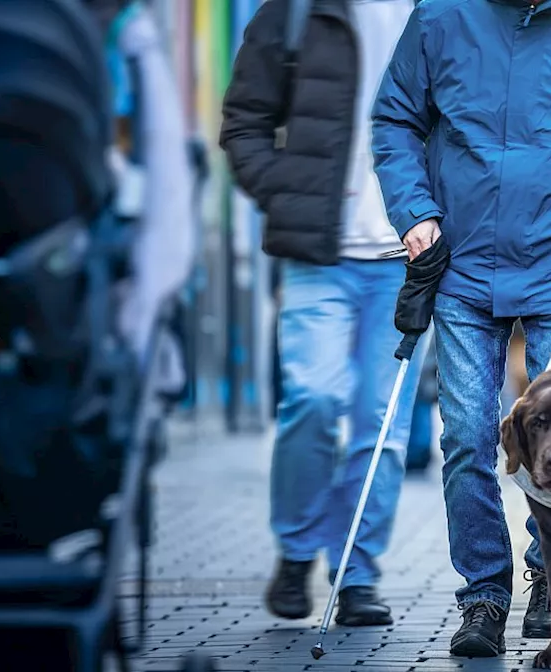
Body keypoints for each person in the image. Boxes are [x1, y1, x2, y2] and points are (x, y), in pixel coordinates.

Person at [371, 0, 551, 657]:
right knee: (469, 438)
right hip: (463, 269)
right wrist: (415, 213)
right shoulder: (441, 19)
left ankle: (547, 575)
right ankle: (483, 597)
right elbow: (395, 118)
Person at [220, 0, 426, 628]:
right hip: (318, 255)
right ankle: (295, 546)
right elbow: (243, 122)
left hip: (403, 259)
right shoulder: (297, 9)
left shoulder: (442, 13)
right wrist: (286, 193)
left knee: (381, 426)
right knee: (310, 399)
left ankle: (357, 573)